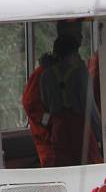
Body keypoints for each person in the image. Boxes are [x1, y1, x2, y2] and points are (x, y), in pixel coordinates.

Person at [39, 29, 101, 166]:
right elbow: (89, 107)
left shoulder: (46, 75)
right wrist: (101, 135)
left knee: (63, 168)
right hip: (79, 131)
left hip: (58, 131)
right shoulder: (81, 73)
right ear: (73, 52)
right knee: (88, 167)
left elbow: (45, 104)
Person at [22, 52, 57, 167]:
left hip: (48, 134)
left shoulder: (44, 74)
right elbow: (29, 102)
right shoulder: (41, 74)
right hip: (44, 135)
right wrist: (48, 121)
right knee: (50, 167)